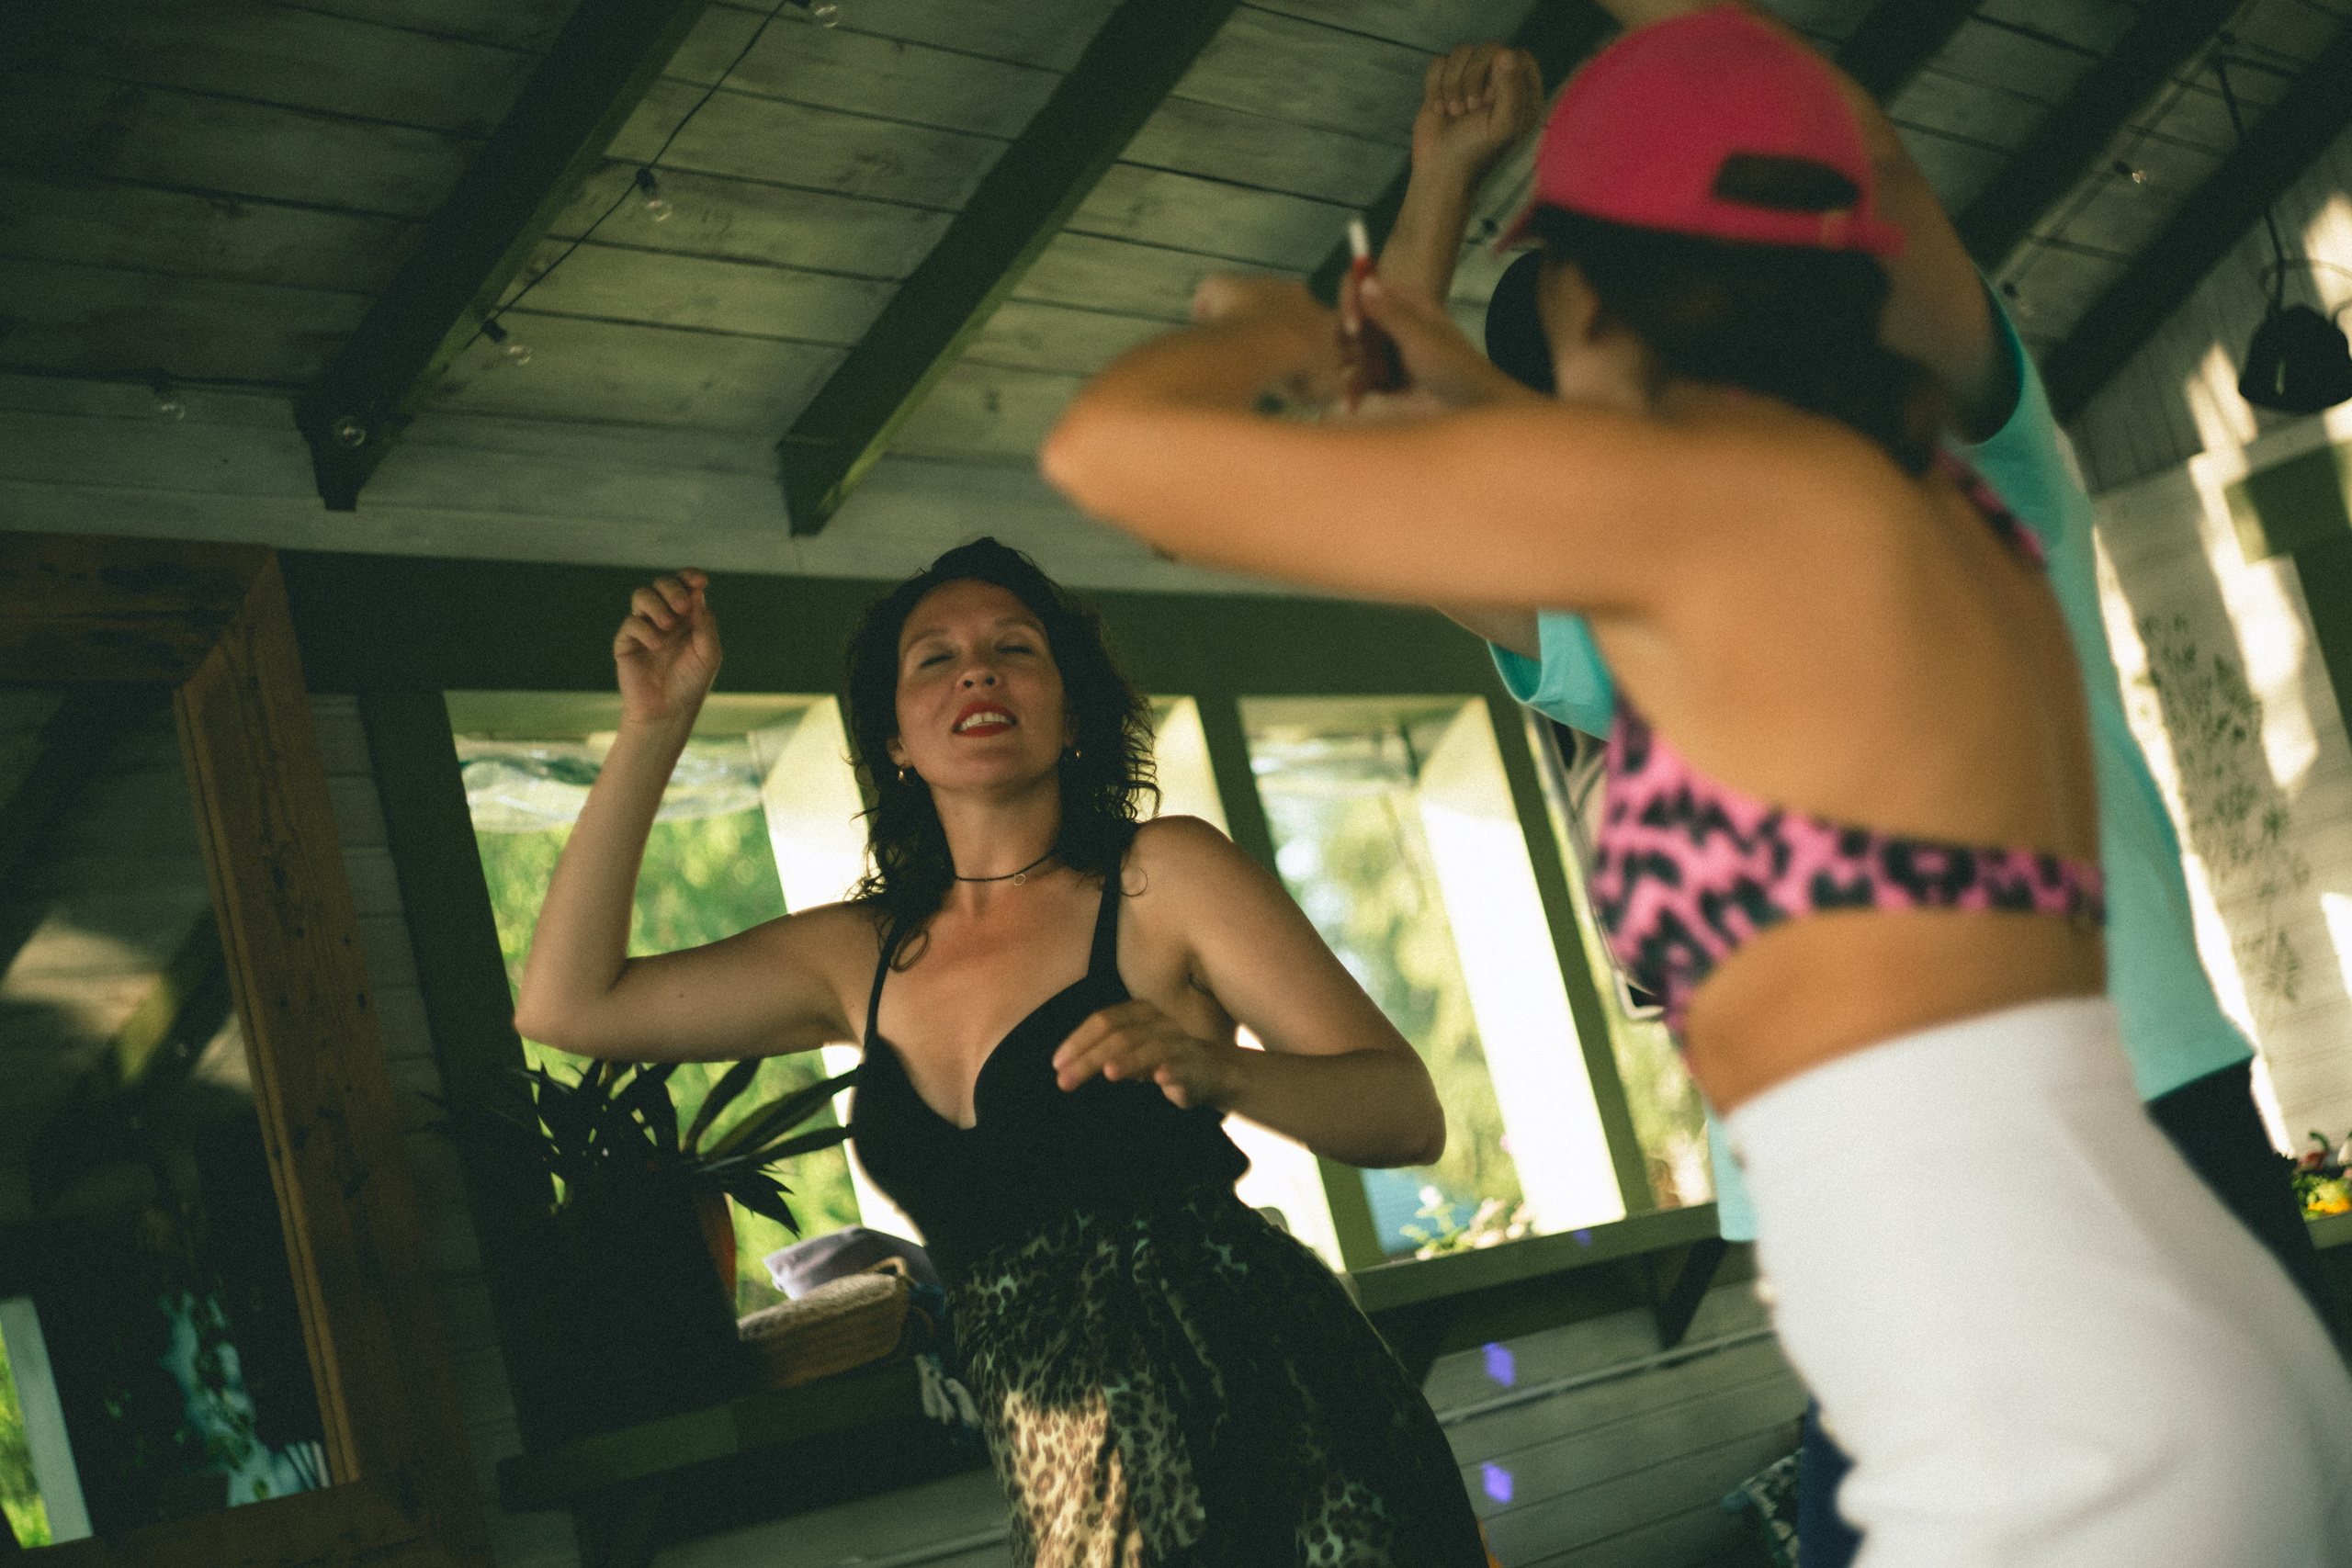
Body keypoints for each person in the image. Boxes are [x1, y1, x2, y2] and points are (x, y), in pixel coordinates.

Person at [1040, 9, 2352, 1562]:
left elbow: (1131, 451)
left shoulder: (1810, 503)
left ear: (1621, 313)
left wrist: (1276, 336)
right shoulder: (1800, 546)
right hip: (2011, 1303)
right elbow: (1424, 392)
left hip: (2049, 1311)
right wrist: (1423, 241)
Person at [510, 538, 1493, 1567]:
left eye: (1013, 647)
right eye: (932, 658)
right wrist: (653, 726)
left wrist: (1228, 1073)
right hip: (1066, 1474)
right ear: (893, 738)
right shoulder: (857, 956)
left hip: (1283, 1420)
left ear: (1071, 712)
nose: (976, 670)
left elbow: (1405, 1113)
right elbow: (568, 1002)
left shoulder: (1165, 877)